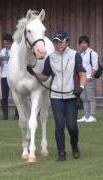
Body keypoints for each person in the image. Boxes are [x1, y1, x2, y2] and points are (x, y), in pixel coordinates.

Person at [28, 31, 86, 161]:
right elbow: (44, 76)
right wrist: (33, 73)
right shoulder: (50, 58)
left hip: (71, 96)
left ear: (67, 42)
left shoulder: (75, 55)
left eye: (61, 41)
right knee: (59, 125)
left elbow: (82, 74)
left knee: (71, 126)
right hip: (55, 96)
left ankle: (74, 145)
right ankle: (61, 153)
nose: (58, 44)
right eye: (56, 42)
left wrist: (81, 87)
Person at [77, 35, 98, 123]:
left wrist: (91, 77)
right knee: (84, 98)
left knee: (90, 98)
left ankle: (93, 116)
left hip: (89, 79)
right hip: (82, 79)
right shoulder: (80, 54)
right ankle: (86, 115)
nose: (83, 45)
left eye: (85, 43)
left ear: (88, 44)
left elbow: (95, 67)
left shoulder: (92, 53)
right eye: (81, 43)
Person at [0, 34, 19, 120]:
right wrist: (0, 60)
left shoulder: (15, 50)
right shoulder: (2, 51)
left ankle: (17, 114)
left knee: (16, 96)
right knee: (4, 96)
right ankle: (5, 115)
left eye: (7, 43)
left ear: (11, 43)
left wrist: (10, 58)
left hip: (14, 75)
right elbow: (0, 65)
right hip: (4, 75)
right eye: (4, 44)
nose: (6, 45)